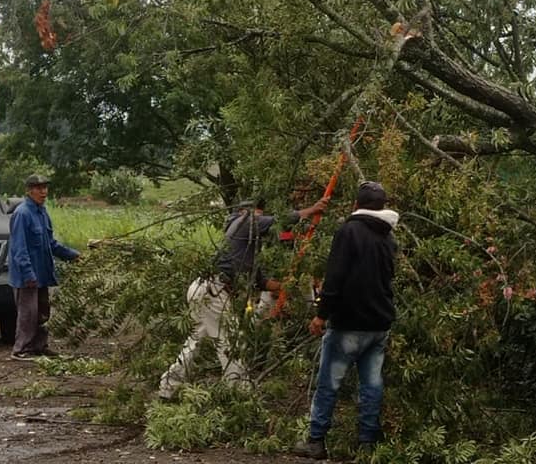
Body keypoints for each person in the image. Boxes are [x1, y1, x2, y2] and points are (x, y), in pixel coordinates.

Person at [156, 188, 328, 400]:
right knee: (232, 344)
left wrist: (286, 287)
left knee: (197, 339)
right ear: (247, 212)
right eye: (259, 215)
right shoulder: (245, 222)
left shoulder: (244, 245)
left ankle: (168, 387)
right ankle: (241, 396)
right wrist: (313, 209)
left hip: (204, 288)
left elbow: (262, 282)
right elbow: (280, 220)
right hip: (214, 291)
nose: (261, 219)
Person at [294, 181, 398, 459]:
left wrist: (321, 315)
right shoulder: (388, 237)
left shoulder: (348, 231)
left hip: (348, 322)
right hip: (379, 324)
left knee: (329, 382)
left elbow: (334, 279)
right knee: (372, 385)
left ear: (356, 205)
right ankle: (367, 444)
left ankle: (316, 441)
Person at [7, 174, 80, 361]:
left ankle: (39, 346)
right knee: (28, 314)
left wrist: (73, 255)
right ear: (29, 191)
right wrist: (28, 274)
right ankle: (21, 349)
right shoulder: (22, 214)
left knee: (42, 312)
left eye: (45, 188)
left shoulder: (42, 212)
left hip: (42, 273)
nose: (44, 192)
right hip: (27, 276)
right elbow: (19, 249)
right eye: (39, 188)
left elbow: (51, 244)